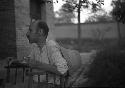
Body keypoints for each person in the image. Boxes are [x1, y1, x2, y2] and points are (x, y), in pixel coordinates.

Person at [26, 20, 83, 86]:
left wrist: (37, 64)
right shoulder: (35, 47)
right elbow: (29, 60)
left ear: (40, 32)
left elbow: (63, 71)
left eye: (30, 30)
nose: (27, 34)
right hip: (40, 84)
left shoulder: (51, 46)